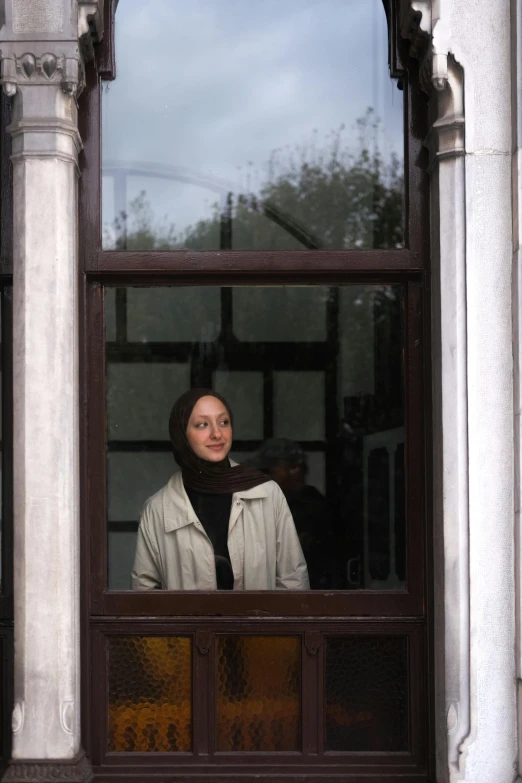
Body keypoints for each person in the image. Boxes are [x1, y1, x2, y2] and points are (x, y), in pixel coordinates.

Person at [131, 389, 309, 590]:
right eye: (202, 425)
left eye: (223, 422)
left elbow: (293, 582)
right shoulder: (158, 509)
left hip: (257, 621)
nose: (217, 434)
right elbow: (144, 594)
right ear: (181, 434)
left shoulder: (268, 494)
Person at [249, 438, 339, 589]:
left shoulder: (311, 508)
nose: (264, 476)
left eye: (270, 469)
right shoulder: (272, 502)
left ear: (295, 470)